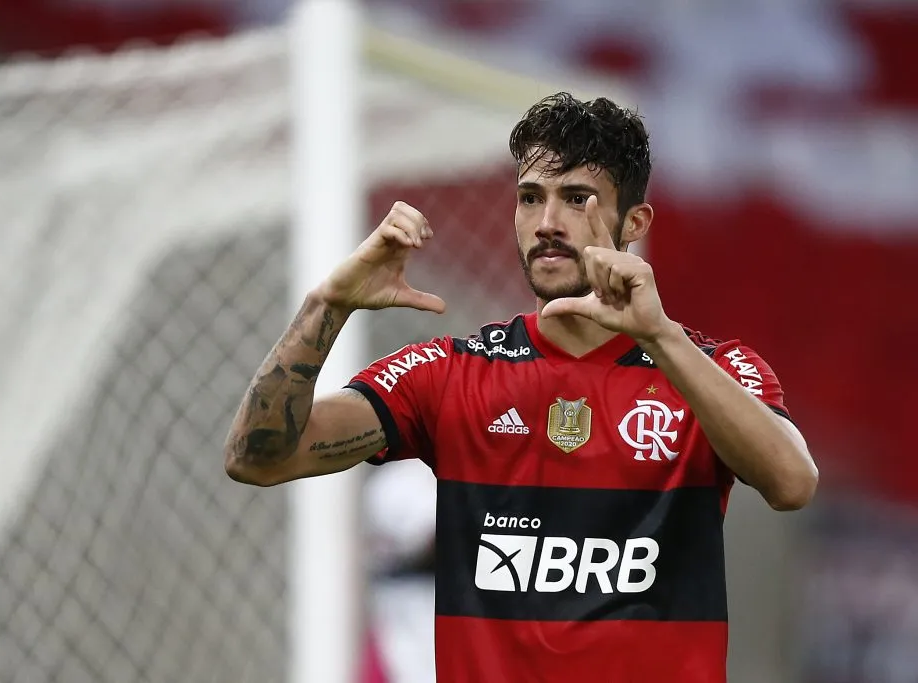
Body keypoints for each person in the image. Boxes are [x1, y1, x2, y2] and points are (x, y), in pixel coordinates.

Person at [224, 92, 819, 682]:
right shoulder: (449, 372)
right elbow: (258, 459)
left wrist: (661, 338)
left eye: (576, 198)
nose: (547, 223)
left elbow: (792, 483)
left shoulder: (714, 370)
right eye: (530, 198)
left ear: (634, 223)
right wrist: (326, 305)